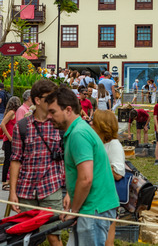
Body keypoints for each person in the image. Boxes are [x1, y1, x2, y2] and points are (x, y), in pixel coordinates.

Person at [46, 87, 119, 245]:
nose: (48, 117)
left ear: (68, 110)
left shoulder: (78, 134)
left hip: (93, 208)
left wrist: (74, 211)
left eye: (52, 112)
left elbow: (86, 178)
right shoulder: (78, 129)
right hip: (93, 207)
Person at [9, 80, 65, 246]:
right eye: (50, 98)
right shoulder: (22, 126)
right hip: (26, 190)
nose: (53, 101)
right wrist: (13, 193)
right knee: (26, 239)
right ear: (37, 100)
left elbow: (69, 159)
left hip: (51, 187)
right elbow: (15, 159)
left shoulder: (59, 125)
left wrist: (69, 191)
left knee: (54, 235)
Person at [92, 110, 125, 246]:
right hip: (99, 197)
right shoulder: (100, 143)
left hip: (106, 199)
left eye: (94, 122)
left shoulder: (114, 145)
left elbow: (118, 174)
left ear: (102, 125)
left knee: (106, 241)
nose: (91, 124)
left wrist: (97, 162)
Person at [1, 97, 20, 191]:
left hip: (12, 140)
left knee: (11, 161)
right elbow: (2, 124)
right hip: (9, 140)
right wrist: (9, 137)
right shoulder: (12, 112)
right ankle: (4, 182)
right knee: (7, 161)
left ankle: (8, 181)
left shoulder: (15, 113)